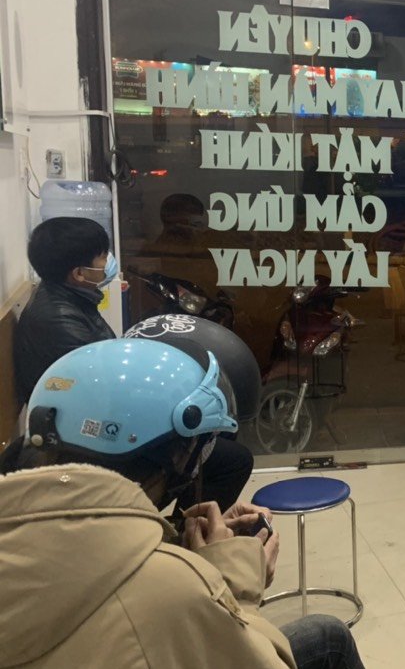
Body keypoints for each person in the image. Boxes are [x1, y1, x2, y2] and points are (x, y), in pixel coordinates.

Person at [0, 339, 405, 669]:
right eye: (196, 450)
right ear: (168, 455)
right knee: (330, 644)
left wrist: (175, 540)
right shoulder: (165, 588)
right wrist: (233, 581)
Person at [13, 215, 252, 513]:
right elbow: (101, 394)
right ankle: (187, 529)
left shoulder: (70, 298)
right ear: (79, 273)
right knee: (230, 459)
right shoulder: (59, 322)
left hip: (86, 427)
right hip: (87, 440)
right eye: (102, 256)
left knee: (209, 438)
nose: (108, 262)